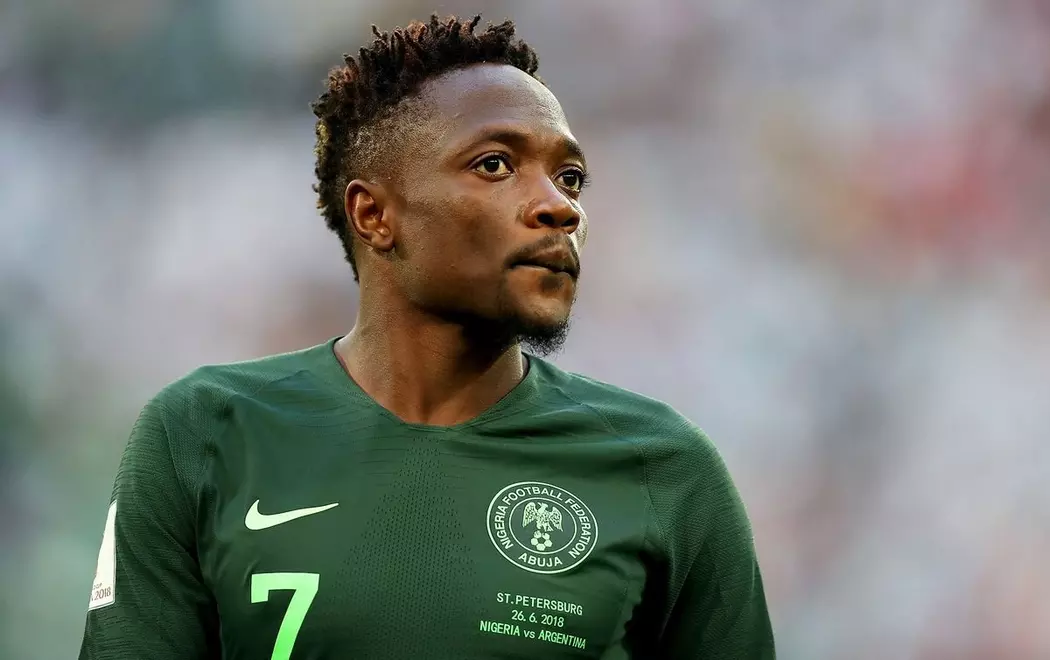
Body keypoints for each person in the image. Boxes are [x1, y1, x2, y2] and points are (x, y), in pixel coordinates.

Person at [79, 14, 775, 659]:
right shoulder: (205, 434)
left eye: (570, 178)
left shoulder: (664, 469)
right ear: (374, 215)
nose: (559, 207)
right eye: (495, 164)